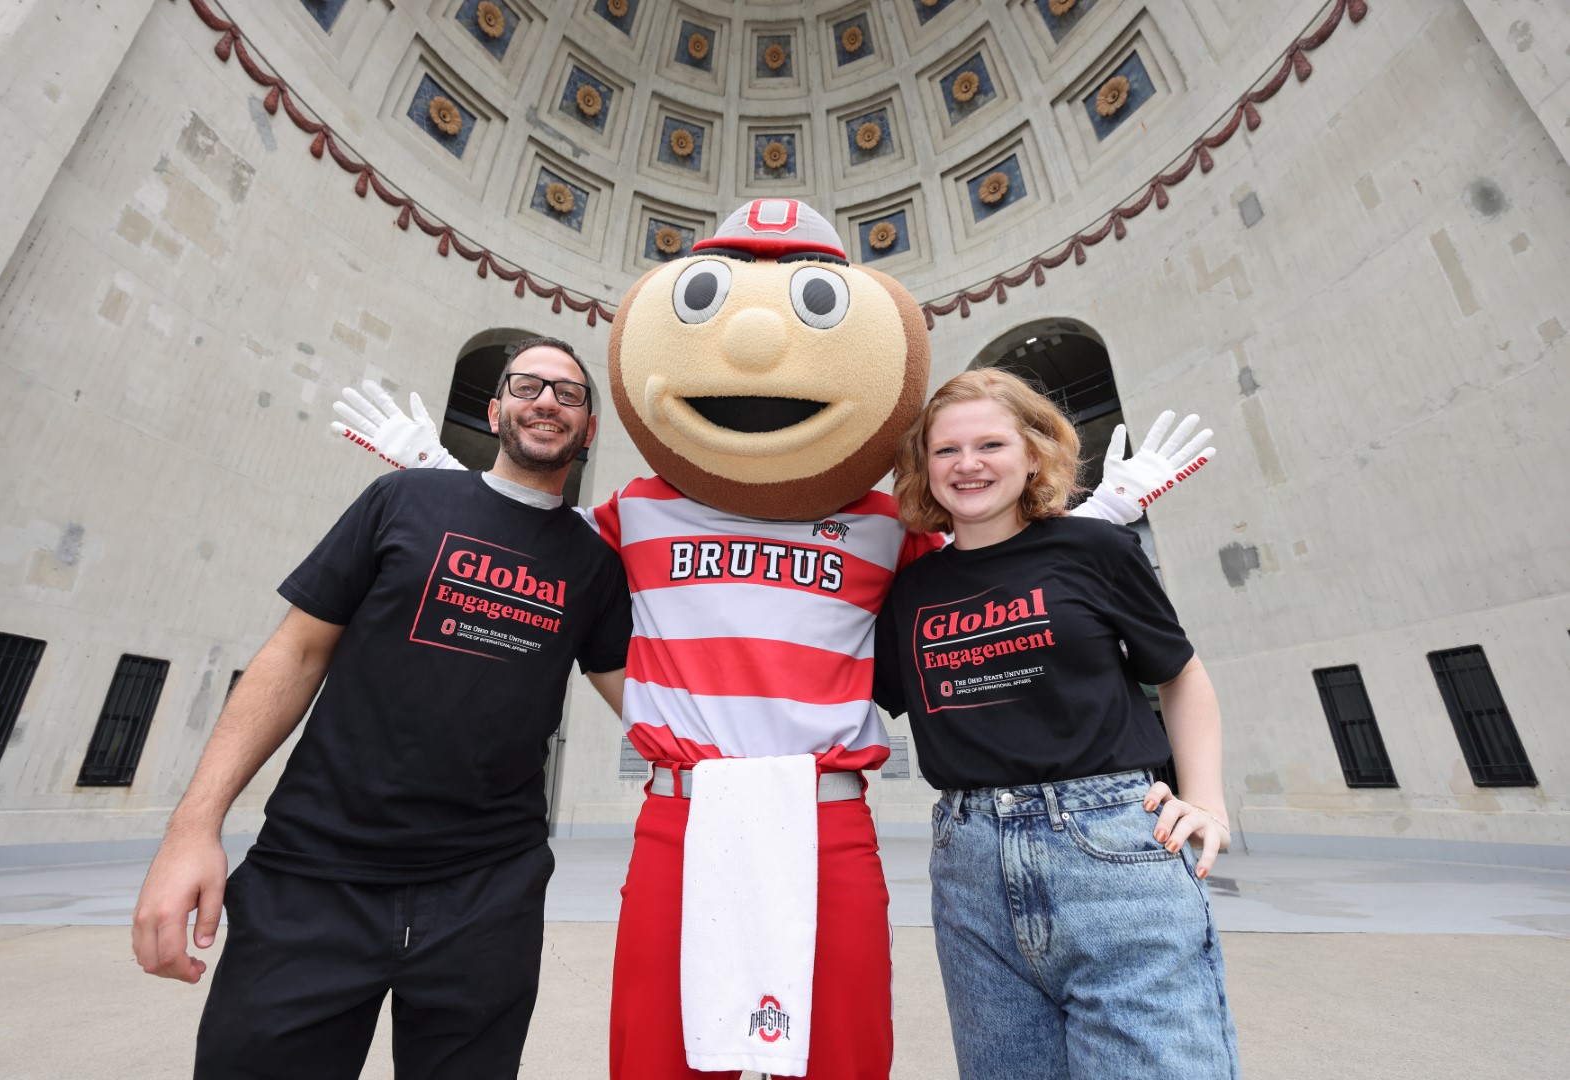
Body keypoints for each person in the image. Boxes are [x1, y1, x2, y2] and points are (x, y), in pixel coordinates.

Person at [331, 199, 1216, 1080]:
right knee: (658, 1057)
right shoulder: (637, 509)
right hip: (684, 807)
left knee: (844, 1056)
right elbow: (535, 547)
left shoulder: (880, 522)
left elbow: (993, 569)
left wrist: (1098, 511)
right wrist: (442, 475)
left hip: (825, 812)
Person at [131, 338, 633, 1080]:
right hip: (315, 875)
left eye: (570, 393)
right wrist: (192, 829)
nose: (548, 400)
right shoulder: (402, 499)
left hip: (487, 894)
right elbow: (293, 657)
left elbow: (648, 698)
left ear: (588, 430)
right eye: (528, 385)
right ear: (497, 411)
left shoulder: (594, 564)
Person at [873, 368, 1240, 1080]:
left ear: (1033, 454)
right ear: (924, 468)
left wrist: (1209, 801)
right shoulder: (911, 590)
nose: (968, 464)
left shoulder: (1096, 549)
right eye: (946, 451)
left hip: (1110, 848)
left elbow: (1179, 672)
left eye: (990, 444)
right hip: (969, 861)